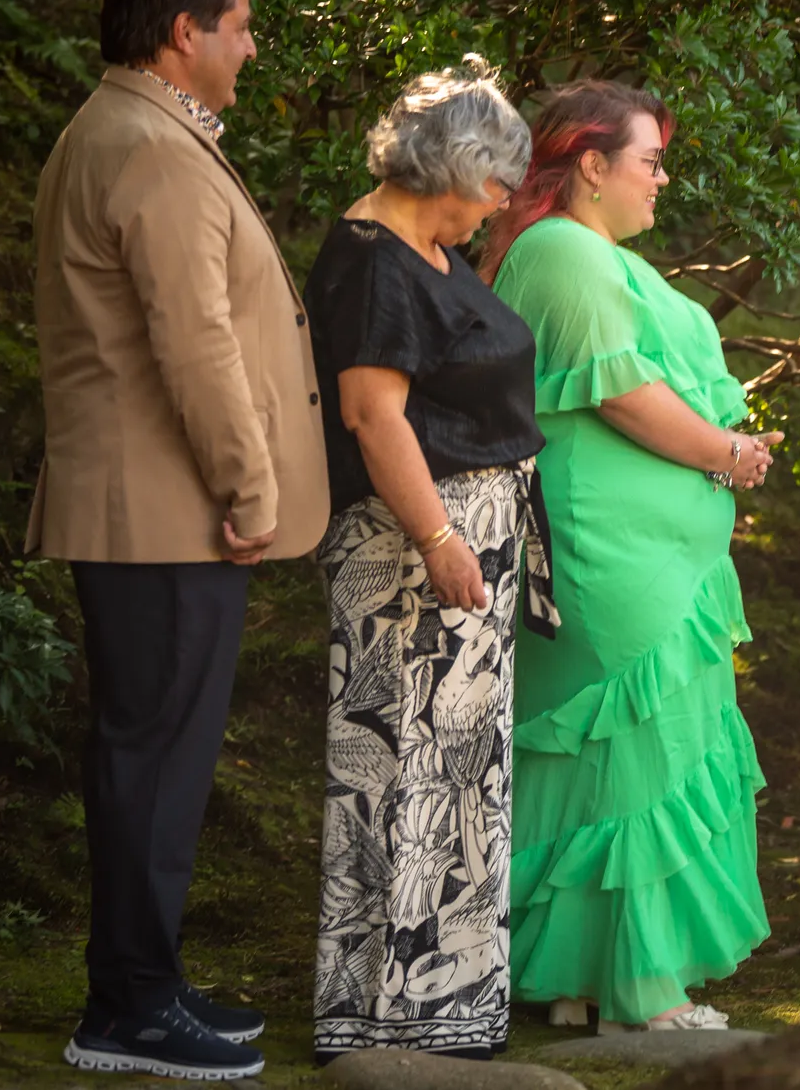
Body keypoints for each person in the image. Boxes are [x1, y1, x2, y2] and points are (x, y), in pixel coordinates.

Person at [31, 0, 329, 1081]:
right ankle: (128, 1009)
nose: (250, 46)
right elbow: (194, 340)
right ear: (183, 33)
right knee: (154, 757)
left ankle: (141, 978)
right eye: (240, 25)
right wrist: (250, 485)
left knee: (153, 753)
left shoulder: (124, 128)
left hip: (150, 509)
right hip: (163, 512)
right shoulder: (150, 147)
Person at [486, 80, 777, 1033]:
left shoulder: (588, 251)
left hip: (639, 552)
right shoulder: (563, 249)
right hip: (608, 554)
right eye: (649, 161)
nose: (662, 178)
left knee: (599, 763)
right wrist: (728, 453)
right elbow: (621, 395)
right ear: (591, 164)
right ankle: (641, 993)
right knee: (636, 757)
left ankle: (574, 981)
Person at [309, 57, 556, 1059]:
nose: (500, 202)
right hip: (411, 552)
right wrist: (441, 539)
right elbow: (373, 415)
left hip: (462, 545)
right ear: (453, 163)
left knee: (458, 780)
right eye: (496, 181)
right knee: (404, 771)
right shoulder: (375, 258)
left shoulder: (429, 249)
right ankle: (387, 1013)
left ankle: (450, 1006)